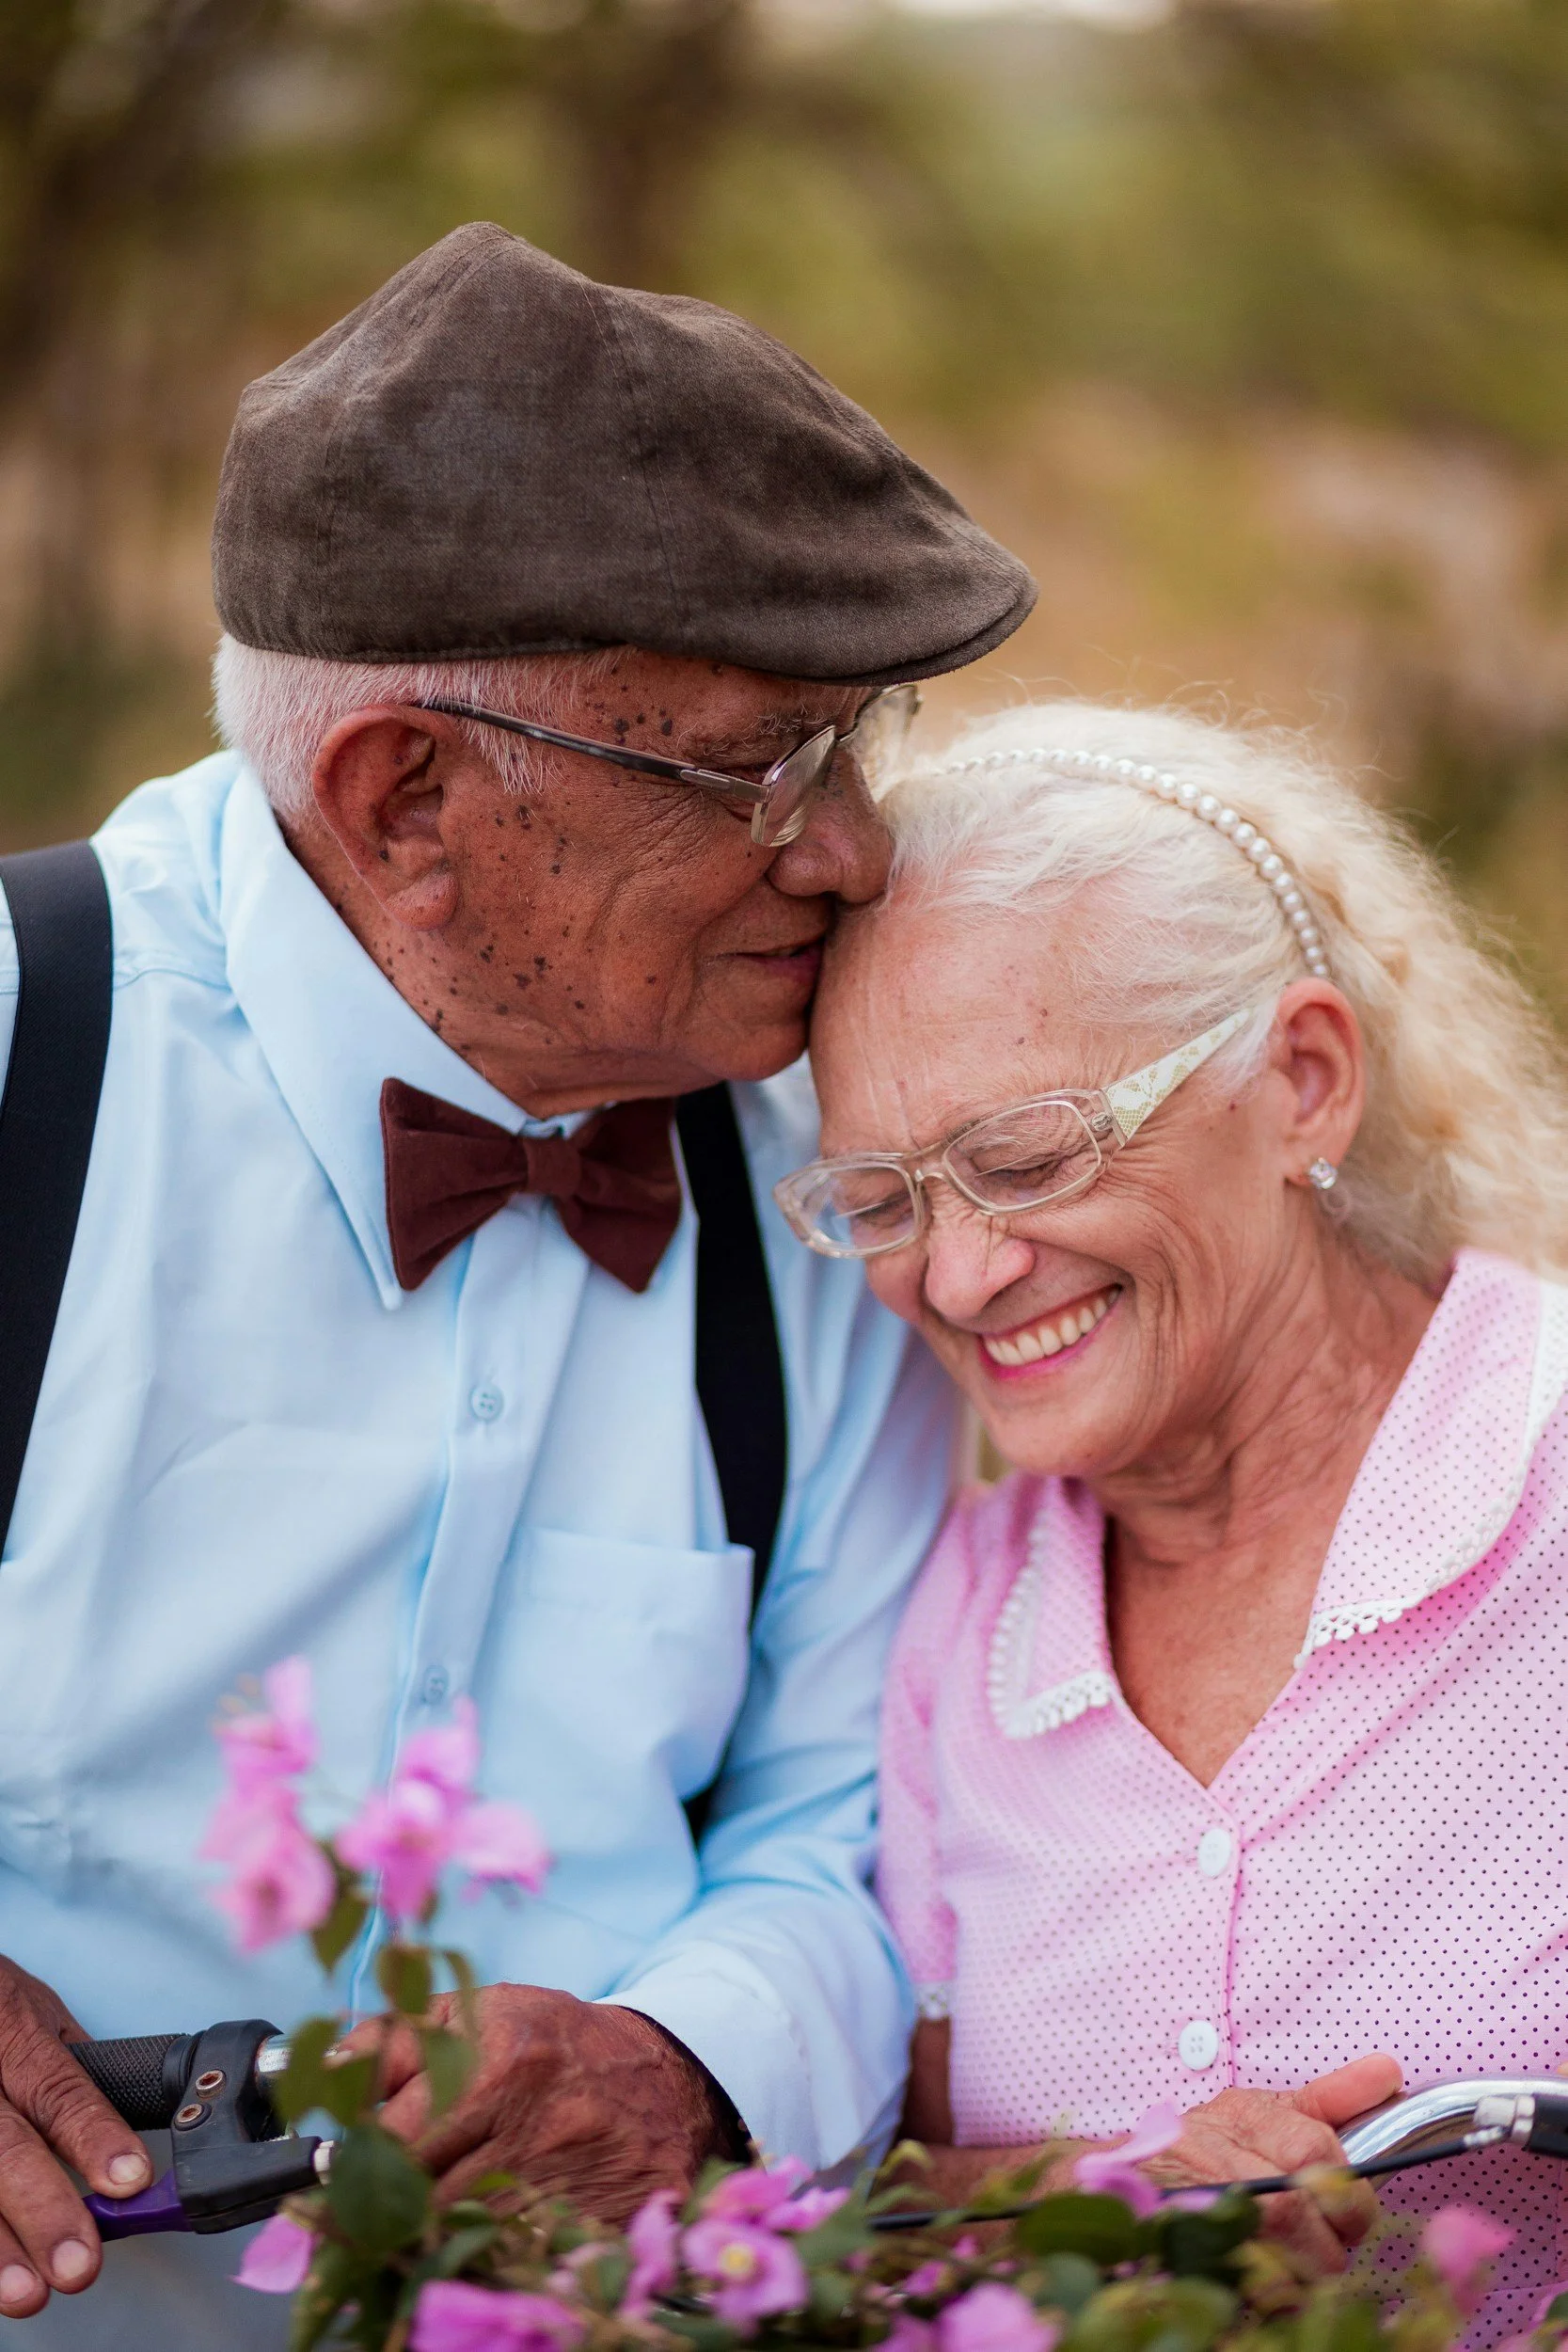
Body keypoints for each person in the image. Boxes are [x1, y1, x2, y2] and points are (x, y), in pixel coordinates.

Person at [0, 224, 1036, 2348]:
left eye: (864, 744)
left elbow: (853, 1805)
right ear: (409, 802)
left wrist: (691, 2051)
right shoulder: (23, 1052)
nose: (847, 849)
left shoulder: (833, 1192)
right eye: (762, 767)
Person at [780, 699, 1568, 2343]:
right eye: (883, 1196)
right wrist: (1130, 2201)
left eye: (1024, 1154)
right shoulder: (974, 1614)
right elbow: (911, 2184)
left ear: (1300, 1082)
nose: (958, 1272)